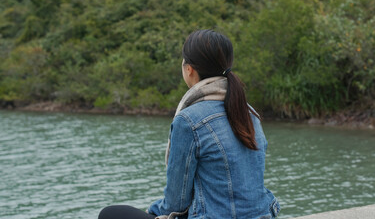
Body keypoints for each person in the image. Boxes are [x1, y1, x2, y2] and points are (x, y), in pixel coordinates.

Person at [98, 29, 279, 219]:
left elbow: (176, 202)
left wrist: (152, 211)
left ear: (189, 68)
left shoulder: (189, 120)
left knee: (111, 214)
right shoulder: (248, 112)